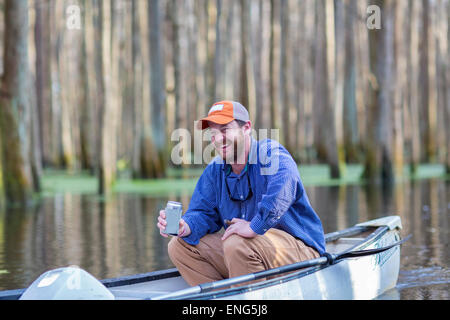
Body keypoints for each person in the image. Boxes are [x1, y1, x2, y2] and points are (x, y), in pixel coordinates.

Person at [157, 100, 326, 286]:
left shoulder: (269, 152)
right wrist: (185, 226)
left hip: (301, 253)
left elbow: (287, 181)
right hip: (244, 251)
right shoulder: (215, 171)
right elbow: (203, 213)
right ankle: (221, 300)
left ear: (246, 128)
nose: (218, 139)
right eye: (213, 133)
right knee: (179, 246)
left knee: (237, 243)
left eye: (224, 130)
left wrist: (255, 225)